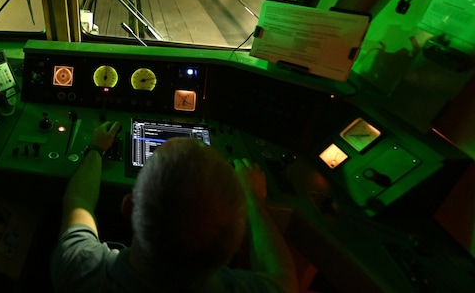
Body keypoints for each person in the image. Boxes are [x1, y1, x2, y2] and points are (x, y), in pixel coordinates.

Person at [51, 122, 299, 292]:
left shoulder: (79, 267)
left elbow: (78, 202)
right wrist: (255, 201)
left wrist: (95, 149)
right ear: (236, 241)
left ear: (128, 206)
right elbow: (285, 280)